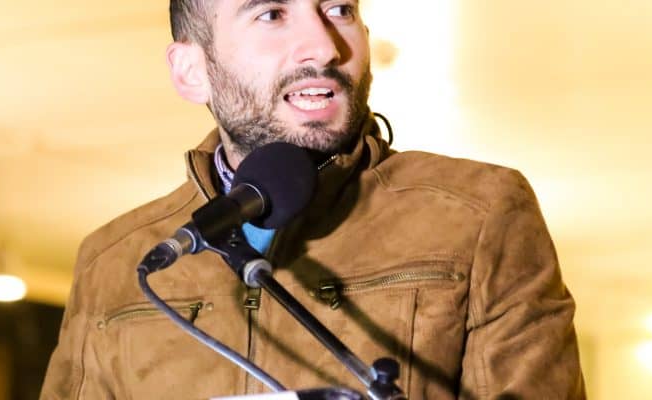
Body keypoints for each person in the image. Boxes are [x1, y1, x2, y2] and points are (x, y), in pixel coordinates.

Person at [41, 0, 586, 398]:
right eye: (272, 14)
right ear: (192, 70)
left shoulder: (480, 214)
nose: (326, 47)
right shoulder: (113, 262)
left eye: (339, 10)